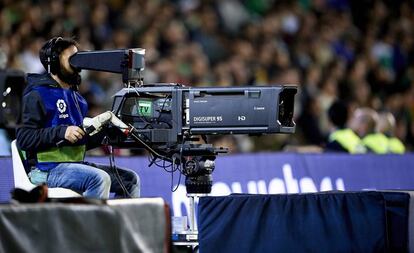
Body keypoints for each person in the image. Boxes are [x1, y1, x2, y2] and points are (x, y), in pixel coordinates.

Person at [16, 37, 140, 199]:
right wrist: (61, 132)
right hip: (45, 170)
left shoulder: (78, 99)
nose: (78, 63)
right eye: (72, 59)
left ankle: (119, 224)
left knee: (130, 179)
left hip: (75, 167)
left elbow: (79, 142)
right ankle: (90, 224)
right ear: (53, 62)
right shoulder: (37, 94)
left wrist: (106, 135)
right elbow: (24, 139)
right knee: (98, 178)